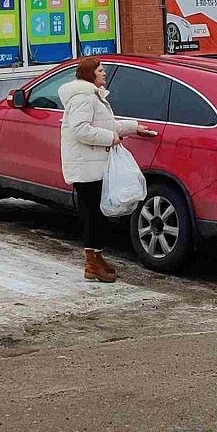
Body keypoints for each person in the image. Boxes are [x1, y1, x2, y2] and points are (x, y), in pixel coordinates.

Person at [59, 57, 155, 283]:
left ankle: (96, 258)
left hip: (93, 165)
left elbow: (107, 125)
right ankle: (92, 263)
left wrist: (134, 127)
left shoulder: (93, 96)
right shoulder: (83, 97)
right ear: (89, 74)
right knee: (93, 215)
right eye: (100, 70)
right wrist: (110, 138)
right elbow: (80, 130)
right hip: (86, 167)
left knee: (97, 214)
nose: (104, 73)